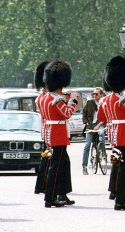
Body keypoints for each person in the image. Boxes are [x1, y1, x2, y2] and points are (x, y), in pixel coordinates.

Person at [96, 55, 125, 210]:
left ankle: (117, 194)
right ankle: (122, 200)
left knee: (119, 166)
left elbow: (101, 117)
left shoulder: (106, 100)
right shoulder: (122, 100)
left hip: (114, 135)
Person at [40, 60, 78, 208]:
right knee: (55, 168)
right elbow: (67, 113)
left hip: (51, 133)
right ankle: (50, 198)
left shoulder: (45, 98)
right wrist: (73, 101)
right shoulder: (56, 100)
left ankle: (61, 193)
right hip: (58, 135)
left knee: (61, 165)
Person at [33, 61, 51, 194]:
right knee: (48, 159)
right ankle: (44, 185)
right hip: (50, 129)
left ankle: (41, 185)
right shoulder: (45, 97)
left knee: (46, 158)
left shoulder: (41, 96)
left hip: (46, 129)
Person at [81, 87, 105, 175]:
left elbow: (106, 116)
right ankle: (84, 166)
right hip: (90, 125)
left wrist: (98, 126)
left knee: (102, 135)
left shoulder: (103, 103)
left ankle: (103, 155)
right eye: (93, 94)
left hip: (100, 124)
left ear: (101, 95)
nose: (94, 95)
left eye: (96, 94)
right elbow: (84, 113)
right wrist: (86, 122)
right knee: (87, 145)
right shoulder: (90, 102)